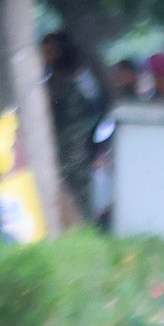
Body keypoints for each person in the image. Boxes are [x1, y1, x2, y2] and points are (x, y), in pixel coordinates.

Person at [42, 31, 105, 226]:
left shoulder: (59, 83)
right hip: (80, 146)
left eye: (49, 51)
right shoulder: (83, 79)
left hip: (69, 147)